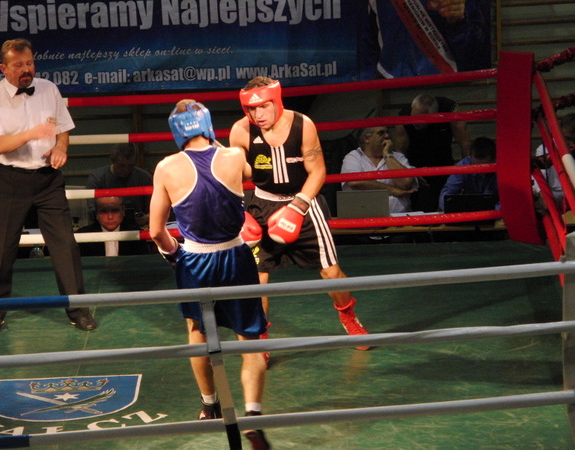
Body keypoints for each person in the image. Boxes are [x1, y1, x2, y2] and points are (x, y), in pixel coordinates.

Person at [149, 99, 270, 449]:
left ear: (175, 132)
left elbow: (156, 231)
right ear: (207, 125)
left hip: (195, 260)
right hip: (236, 255)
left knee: (198, 332)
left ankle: (209, 405)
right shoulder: (233, 156)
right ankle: (253, 413)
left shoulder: (166, 167)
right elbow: (248, 174)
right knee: (250, 340)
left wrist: (175, 257)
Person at [229, 76, 371, 352]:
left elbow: (317, 171)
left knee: (331, 271)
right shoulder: (241, 131)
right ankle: (260, 338)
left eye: (264, 106)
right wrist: (238, 211)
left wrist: (298, 206)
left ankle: (348, 315)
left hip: (303, 202)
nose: (258, 115)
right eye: (252, 109)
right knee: (257, 278)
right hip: (262, 204)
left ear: (277, 101)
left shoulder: (302, 125)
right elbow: (232, 174)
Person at [0, 38, 96, 333]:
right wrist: (33, 133)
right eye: (18, 65)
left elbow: (63, 130)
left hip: (47, 178)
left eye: (29, 63)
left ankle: (78, 309)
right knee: (2, 248)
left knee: (65, 245)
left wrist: (60, 148)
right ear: (4, 68)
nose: (26, 69)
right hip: (9, 179)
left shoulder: (49, 89)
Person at [357, 0, 490, 80]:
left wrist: (457, 22)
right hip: (390, 84)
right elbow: (367, 46)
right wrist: (371, 90)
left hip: (447, 83)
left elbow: (476, 50)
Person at [395, 94, 471, 212]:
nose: (415, 122)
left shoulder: (448, 109)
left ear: (433, 116)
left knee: (447, 206)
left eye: (419, 120)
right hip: (416, 166)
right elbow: (399, 151)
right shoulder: (404, 116)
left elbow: (465, 143)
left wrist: (467, 174)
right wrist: (411, 173)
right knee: (420, 206)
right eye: (413, 117)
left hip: (443, 165)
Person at [341, 126, 418, 214]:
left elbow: (406, 183)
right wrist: (393, 190)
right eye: (381, 133)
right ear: (366, 139)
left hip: (398, 217)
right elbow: (355, 182)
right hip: (363, 217)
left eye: (387, 132)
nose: (387, 136)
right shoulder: (353, 157)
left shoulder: (398, 157)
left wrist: (388, 155)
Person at [85, 143, 153, 228]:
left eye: (131, 166)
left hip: (138, 228)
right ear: (113, 161)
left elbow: (154, 209)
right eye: (121, 165)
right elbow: (92, 211)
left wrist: (146, 217)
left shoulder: (145, 178)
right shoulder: (97, 178)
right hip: (104, 228)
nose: (126, 170)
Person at [438, 136, 499, 211]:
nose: (479, 171)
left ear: (494, 159)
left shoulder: (503, 168)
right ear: (470, 157)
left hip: (495, 213)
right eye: (475, 166)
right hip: (469, 211)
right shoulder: (463, 166)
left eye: (484, 167)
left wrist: (493, 210)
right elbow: (446, 194)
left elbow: (509, 199)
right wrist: (455, 208)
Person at [76, 196, 150, 257]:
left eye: (115, 210)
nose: (110, 217)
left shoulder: (136, 235)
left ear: (123, 211)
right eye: (104, 211)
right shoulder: (82, 237)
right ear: (96, 214)